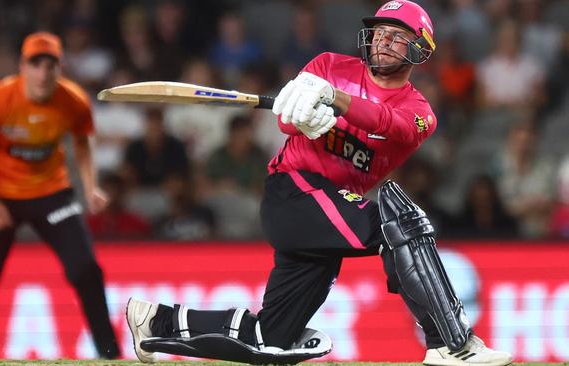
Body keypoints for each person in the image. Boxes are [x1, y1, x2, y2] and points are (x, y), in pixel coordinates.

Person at [125, 1, 512, 365]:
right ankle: (452, 344)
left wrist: (334, 99)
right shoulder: (328, 64)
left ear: (419, 50)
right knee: (399, 224)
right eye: (380, 33)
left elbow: (386, 123)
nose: (383, 41)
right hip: (294, 190)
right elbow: (285, 122)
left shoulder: (419, 112)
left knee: (271, 337)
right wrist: (304, 114)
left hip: (326, 211)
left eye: (396, 36)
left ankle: (154, 320)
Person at [0, 32, 120, 359]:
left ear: (59, 68)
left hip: (50, 192)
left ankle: (110, 355)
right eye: (35, 64)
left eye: (50, 65)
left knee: (86, 270)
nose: (43, 73)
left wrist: (90, 185)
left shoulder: (74, 101)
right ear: (22, 67)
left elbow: (82, 143)